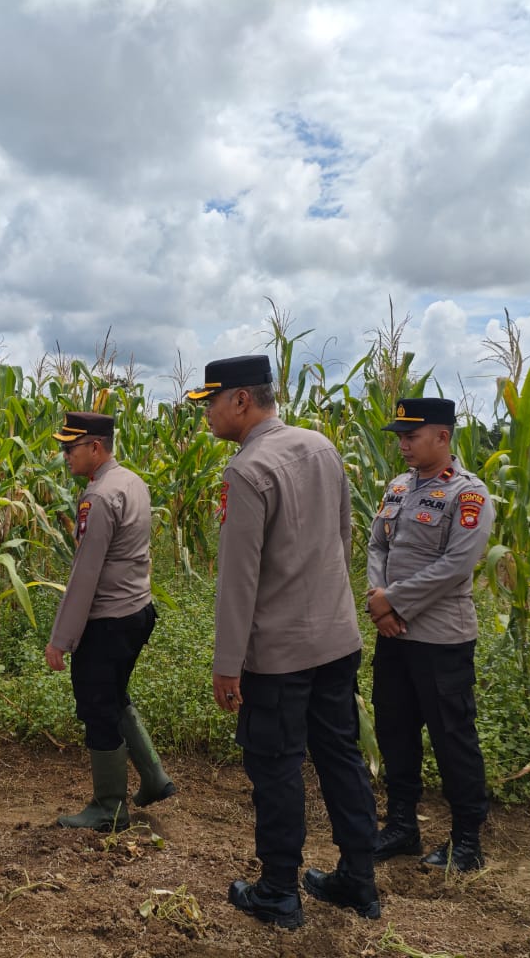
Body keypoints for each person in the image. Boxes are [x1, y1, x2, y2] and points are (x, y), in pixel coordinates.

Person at [189, 355, 380, 929]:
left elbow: (238, 578)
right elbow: (343, 536)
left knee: (275, 766)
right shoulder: (321, 447)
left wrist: (228, 665)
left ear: (242, 400)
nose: (207, 416)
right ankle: (358, 879)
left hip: (279, 653)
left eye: (211, 403)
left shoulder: (248, 470)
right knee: (340, 756)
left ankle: (278, 891)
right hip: (336, 637)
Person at [365, 396, 495, 872]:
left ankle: (466, 843)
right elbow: (376, 543)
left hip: (441, 640)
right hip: (394, 636)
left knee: (452, 739)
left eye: (411, 436)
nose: (402, 445)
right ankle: (401, 827)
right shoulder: (398, 487)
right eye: (399, 436)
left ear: (442, 437)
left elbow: (456, 565)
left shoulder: (469, 495)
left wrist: (394, 601)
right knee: (395, 733)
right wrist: (379, 600)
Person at [45, 411, 175, 832]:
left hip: (109, 619)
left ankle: (109, 807)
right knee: (114, 694)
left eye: (70, 447)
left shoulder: (99, 496)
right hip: (138, 610)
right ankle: (153, 777)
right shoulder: (132, 481)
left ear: (95, 447)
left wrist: (60, 640)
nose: (65, 455)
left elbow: (86, 574)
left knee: (98, 706)